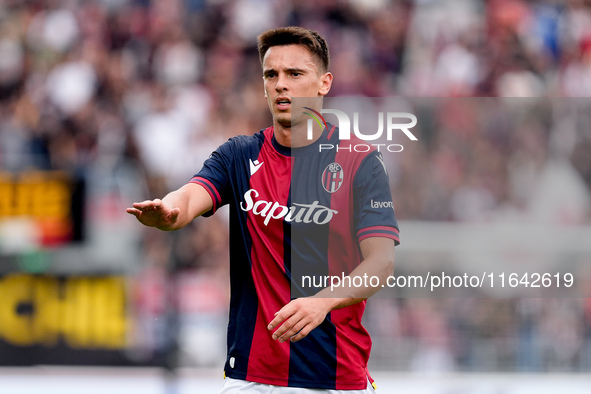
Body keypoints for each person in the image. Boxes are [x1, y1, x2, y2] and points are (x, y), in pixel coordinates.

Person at [127, 26, 399, 393]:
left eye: (295, 74)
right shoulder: (239, 155)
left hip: (334, 378)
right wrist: (169, 211)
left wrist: (321, 303)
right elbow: (190, 196)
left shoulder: (360, 162)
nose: (281, 84)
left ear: (324, 83)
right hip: (250, 378)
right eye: (272, 75)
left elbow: (380, 263)